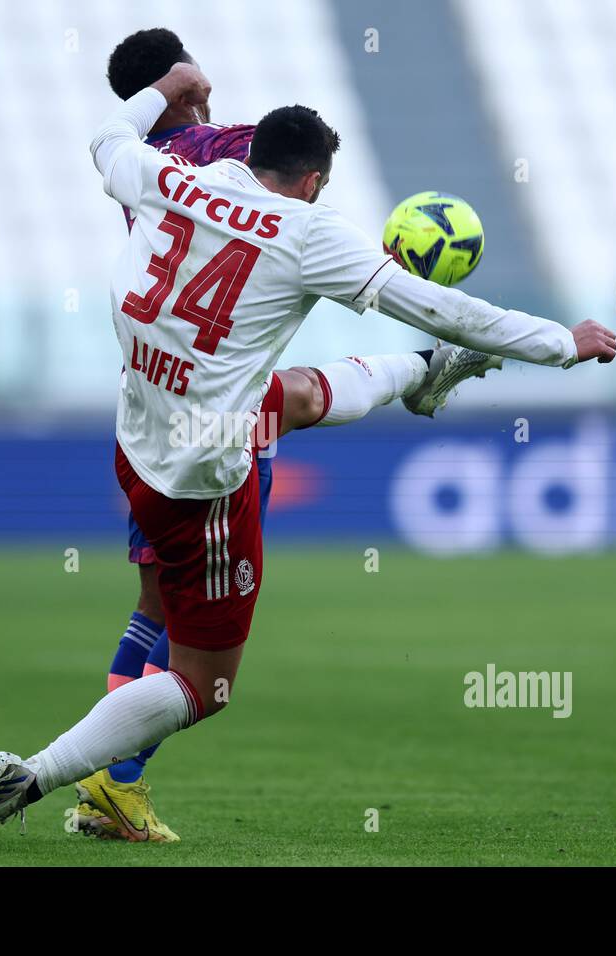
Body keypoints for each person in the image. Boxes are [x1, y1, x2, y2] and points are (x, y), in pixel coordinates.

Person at [0, 62, 616, 851]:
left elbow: (105, 137)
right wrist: (560, 345)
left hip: (141, 435)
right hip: (203, 482)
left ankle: (420, 374)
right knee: (204, 682)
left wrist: (168, 85)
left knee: (291, 396)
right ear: (313, 182)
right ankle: (31, 775)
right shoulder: (306, 230)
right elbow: (441, 304)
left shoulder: (168, 177)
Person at [75, 28, 501, 843]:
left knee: (160, 591)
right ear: (168, 97)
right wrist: (371, 260)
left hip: (157, 401)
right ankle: (113, 778)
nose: (206, 100)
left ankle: (114, 782)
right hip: (212, 423)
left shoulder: (147, 176)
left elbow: (127, 145)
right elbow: (287, 168)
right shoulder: (208, 151)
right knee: (193, 628)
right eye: (189, 90)